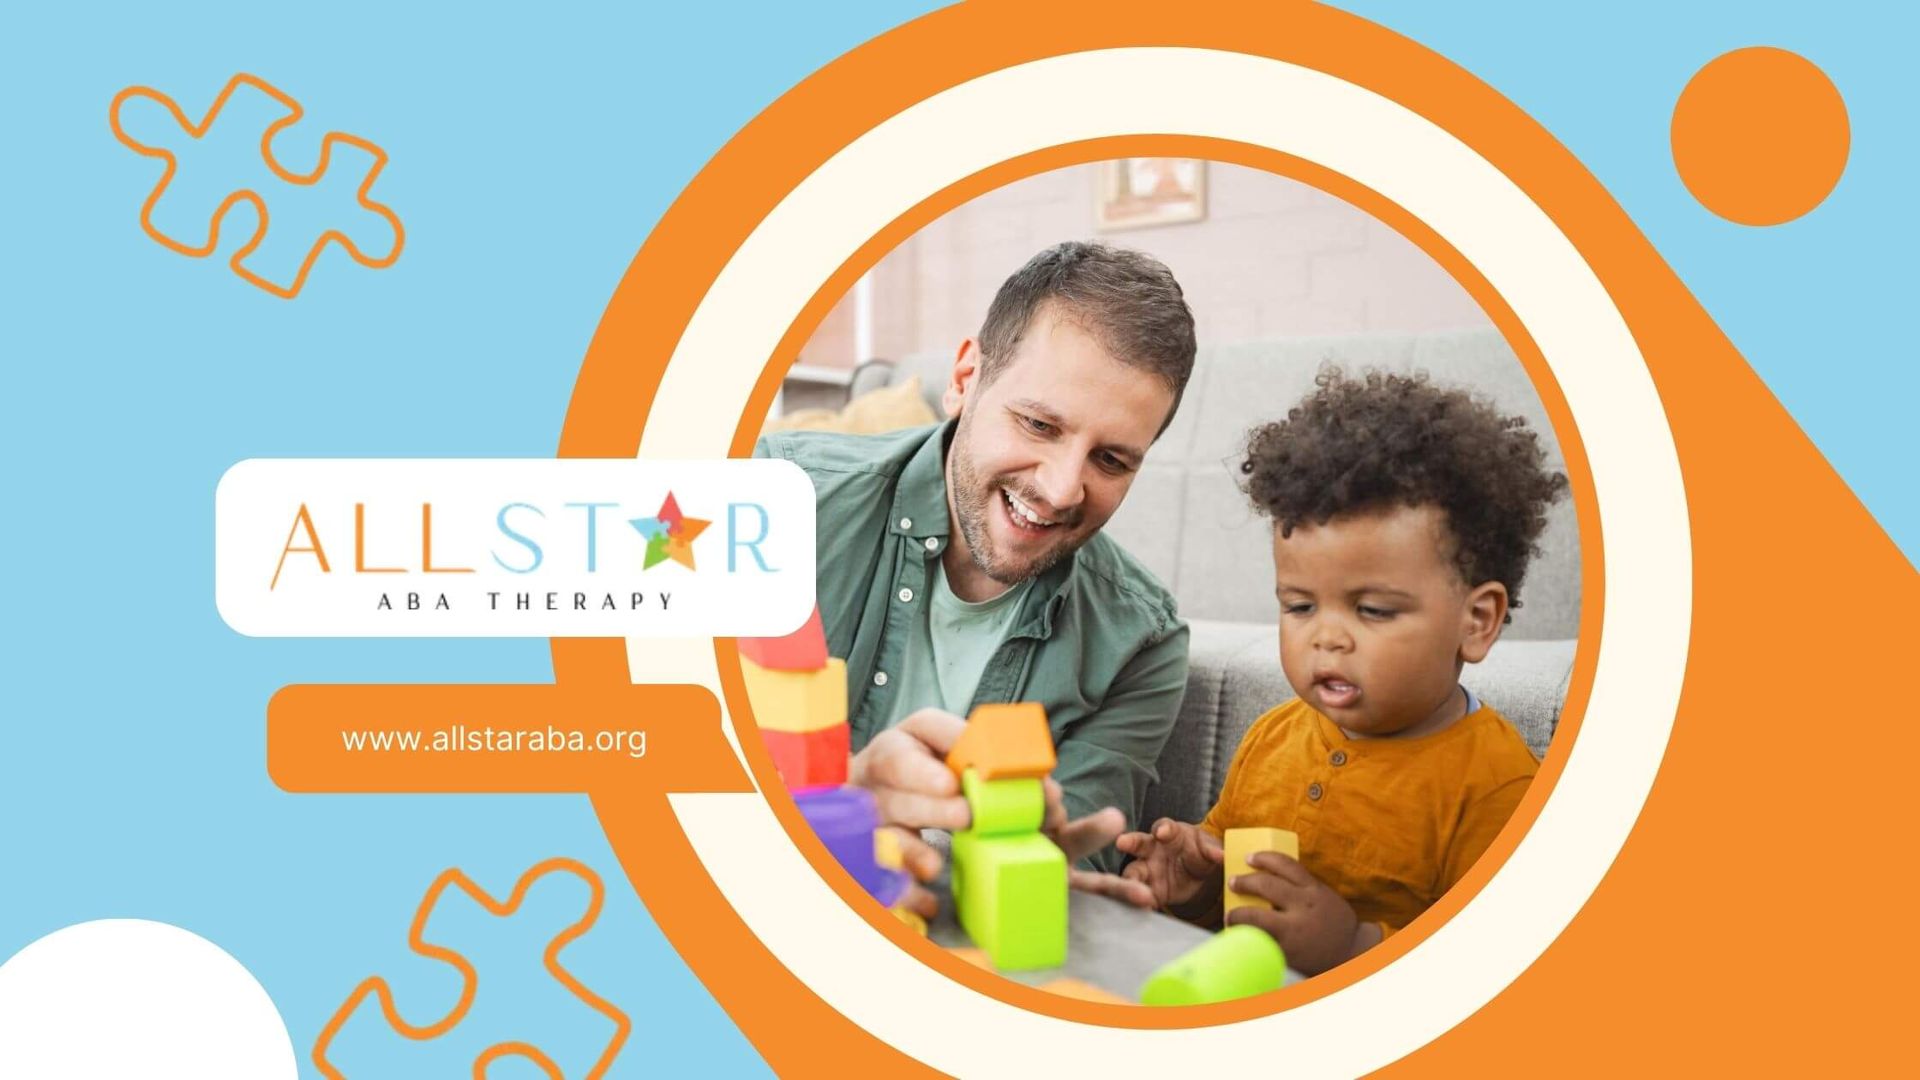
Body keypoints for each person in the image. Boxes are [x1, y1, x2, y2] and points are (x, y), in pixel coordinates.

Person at [1106, 369, 1568, 974]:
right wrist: (1197, 889)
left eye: (1372, 610)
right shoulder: (1272, 738)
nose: (1326, 636)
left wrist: (1353, 947)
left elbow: (1496, 972)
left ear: (1477, 621)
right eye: (1299, 605)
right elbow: (1238, 899)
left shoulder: (1498, 789)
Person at [758, 241, 1198, 873]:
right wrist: (840, 807)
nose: (1060, 489)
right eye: (1039, 426)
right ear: (965, 380)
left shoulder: (1141, 644)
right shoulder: (779, 503)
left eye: (1111, 460)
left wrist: (1053, 871)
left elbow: (1075, 859)